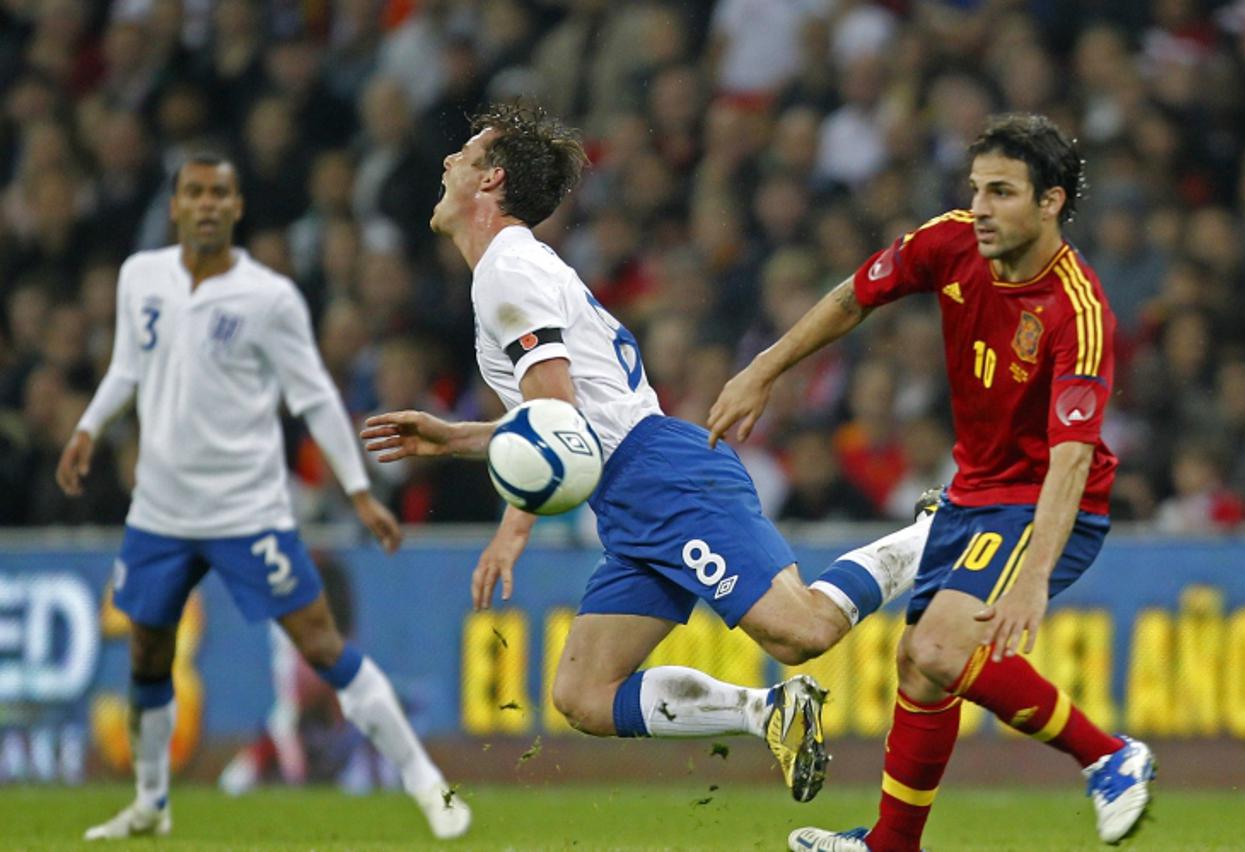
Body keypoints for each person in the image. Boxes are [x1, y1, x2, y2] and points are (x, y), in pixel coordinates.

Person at [360, 102, 924, 803]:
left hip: (660, 475)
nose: (446, 164)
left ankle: (936, 533)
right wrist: (459, 439)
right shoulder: (510, 272)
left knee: (800, 630)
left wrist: (512, 531)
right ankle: (768, 712)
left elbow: (557, 421)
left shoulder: (507, 269)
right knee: (585, 695)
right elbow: (566, 423)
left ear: (491, 179)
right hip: (626, 490)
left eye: (465, 154)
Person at [709, 113, 1156, 852]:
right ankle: (890, 846)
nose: (979, 207)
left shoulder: (1078, 312)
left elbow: (1071, 458)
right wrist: (763, 370)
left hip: (1044, 502)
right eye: (976, 188)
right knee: (919, 665)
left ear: (1050, 202)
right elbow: (853, 296)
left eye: (1002, 192)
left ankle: (1109, 756)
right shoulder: (948, 241)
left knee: (944, 650)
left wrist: (1033, 579)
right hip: (974, 493)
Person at [58, 154, 470, 841]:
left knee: (320, 643)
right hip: (160, 508)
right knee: (147, 653)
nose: (208, 204)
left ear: (236, 207)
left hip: (246, 507)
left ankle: (429, 785)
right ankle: (151, 803)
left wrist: (361, 493)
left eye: (221, 192)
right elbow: (127, 368)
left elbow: (313, 395)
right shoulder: (141, 280)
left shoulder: (268, 297)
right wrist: (87, 428)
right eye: (195, 192)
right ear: (177, 206)